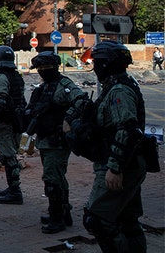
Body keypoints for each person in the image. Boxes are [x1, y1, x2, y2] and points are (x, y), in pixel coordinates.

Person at [65, 41, 148, 252]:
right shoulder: (118, 85)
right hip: (125, 162)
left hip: (120, 165)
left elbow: (128, 129)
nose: (95, 68)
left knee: (97, 219)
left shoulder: (120, 90)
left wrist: (115, 168)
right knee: (126, 219)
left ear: (106, 64)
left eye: (98, 63)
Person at [25, 51, 88, 234]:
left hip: (58, 141)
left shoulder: (64, 85)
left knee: (52, 180)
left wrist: (68, 120)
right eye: (39, 68)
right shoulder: (44, 87)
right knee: (57, 178)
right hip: (45, 139)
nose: (42, 71)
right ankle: (63, 211)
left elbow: (82, 102)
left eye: (45, 68)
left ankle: (57, 218)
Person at [0, 45, 27, 205]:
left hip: (6, 123)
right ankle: (12, 188)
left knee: (8, 157)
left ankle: (15, 191)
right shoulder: (17, 76)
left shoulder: (2, 78)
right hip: (16, 121)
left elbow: (0, 101)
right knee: (9, 155)